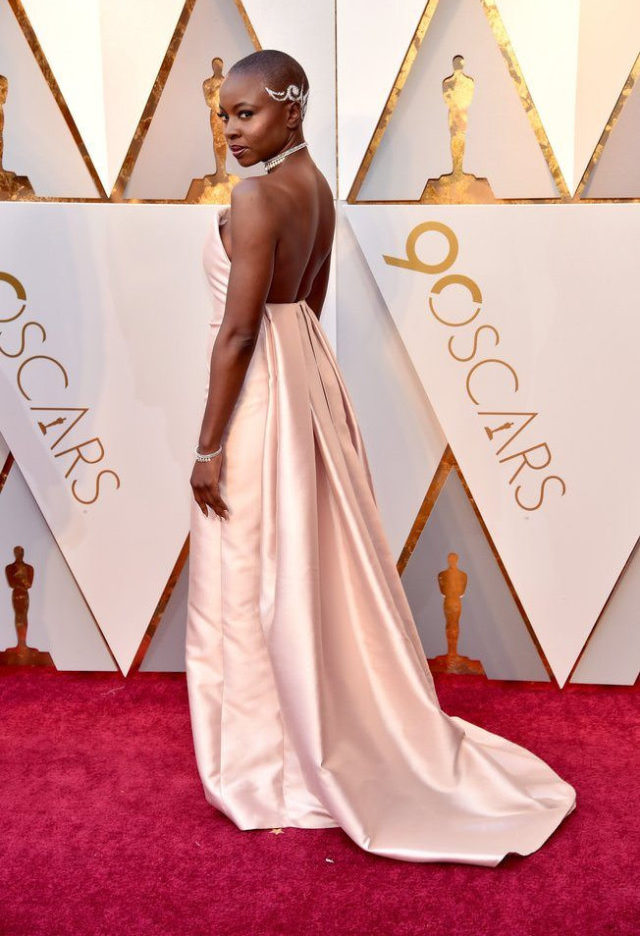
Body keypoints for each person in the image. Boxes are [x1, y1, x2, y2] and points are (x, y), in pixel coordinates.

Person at [184, 49, 577, 866]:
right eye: (225, 115)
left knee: (250, 567)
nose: (231, 131)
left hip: (258, 396)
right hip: (306, 380)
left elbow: (240, 331)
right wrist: (305, 386)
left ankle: (267, 762)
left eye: (247, 113)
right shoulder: (316, 188)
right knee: (299, 561)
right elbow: (307, 303)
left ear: (292, 109)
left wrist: (208, 445)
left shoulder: (256, 197)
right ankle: (306, 731)